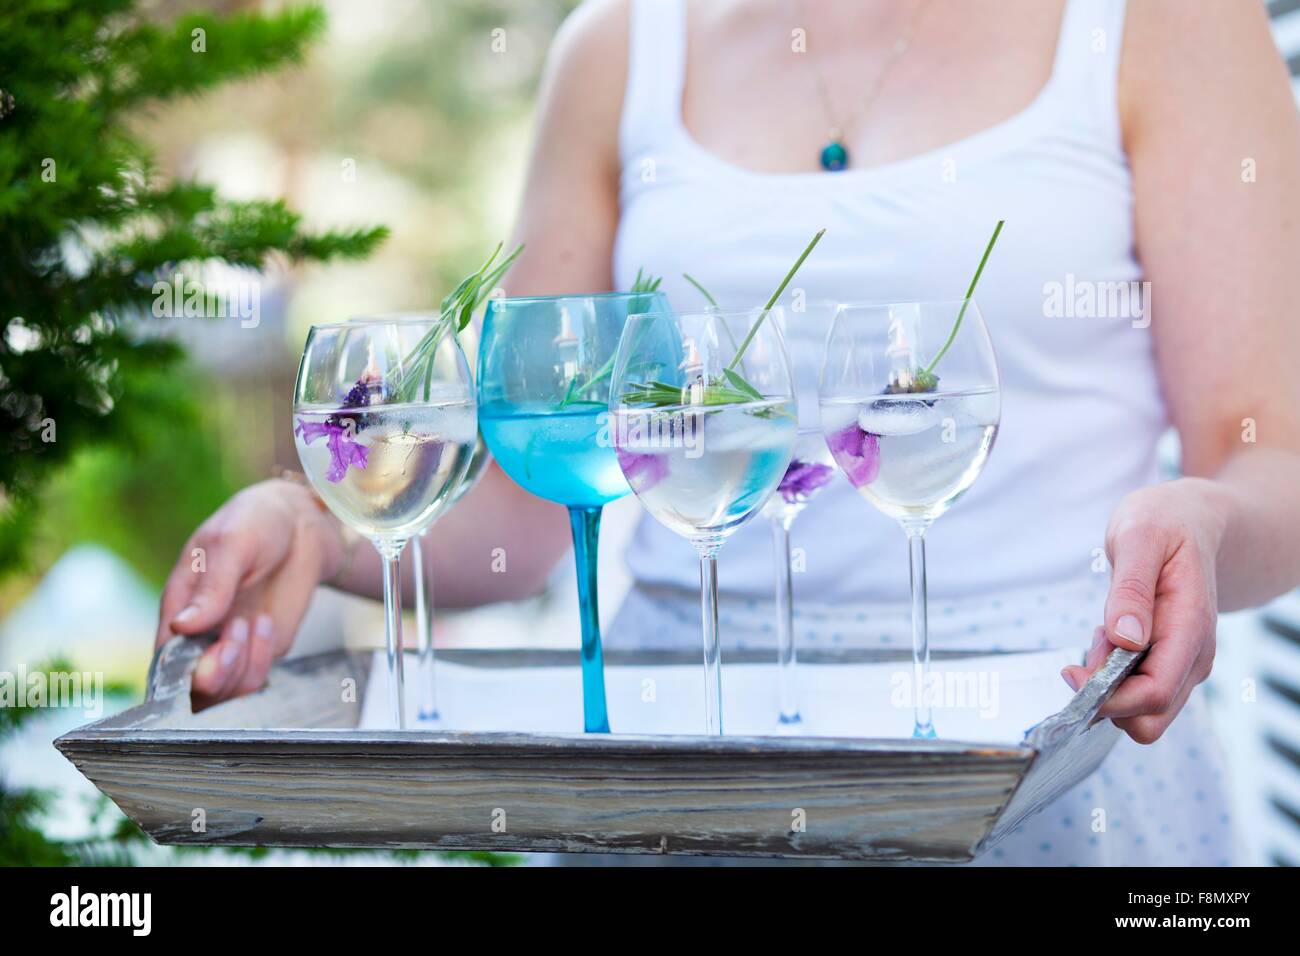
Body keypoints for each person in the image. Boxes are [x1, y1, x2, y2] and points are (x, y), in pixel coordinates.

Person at [155, 0, 1300, 865]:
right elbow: (529, 504)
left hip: (1043, 754)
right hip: (680, 766)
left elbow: (1273, 458)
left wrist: (1198, 523)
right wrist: (316, 519)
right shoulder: (616, 47)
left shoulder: (1164, 20)